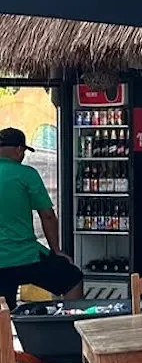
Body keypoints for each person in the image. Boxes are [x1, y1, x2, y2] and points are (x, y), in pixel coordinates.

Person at [0, 128, 84, 308]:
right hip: (24, 256)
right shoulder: (26, 174)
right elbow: (47, 215)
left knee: (4, 309)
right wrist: (56, 250)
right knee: (72, 278)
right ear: (18, 150)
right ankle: (70, 328)